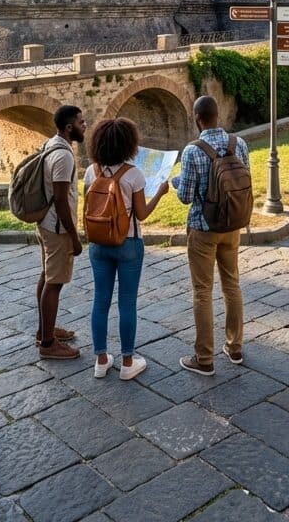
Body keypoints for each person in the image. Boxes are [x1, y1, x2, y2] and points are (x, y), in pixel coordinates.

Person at [84, 117, 169, 381]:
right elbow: (141, 214)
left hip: (98, 243)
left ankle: (100, 360)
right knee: (127, 302)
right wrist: (160, 193)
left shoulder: (91, 172)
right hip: (129, 243)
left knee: (100, 301)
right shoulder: (134, 174)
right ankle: (128, 361)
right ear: (129, 145)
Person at [173, 95, 248, 375]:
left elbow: (185, 196)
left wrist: (176, 182)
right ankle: (235, 346)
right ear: (219, 116)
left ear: (197, 119)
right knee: (232, 285)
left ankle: (204, 358)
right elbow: (244, 180)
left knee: (203, 292)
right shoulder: (237, 143)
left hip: (203, 228)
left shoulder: (192, 151)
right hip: (232, 225)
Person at [35, 105, 86, 359]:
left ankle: (44, 329)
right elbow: (61, 199)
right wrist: (74, 236)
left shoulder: (50, 144)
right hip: (57, 227)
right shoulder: (64, 157)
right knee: (54, 283)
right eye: (81, 122)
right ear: (69, 128)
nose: (84, 125)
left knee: (47, 276)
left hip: (46, 223)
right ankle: (47, 344)